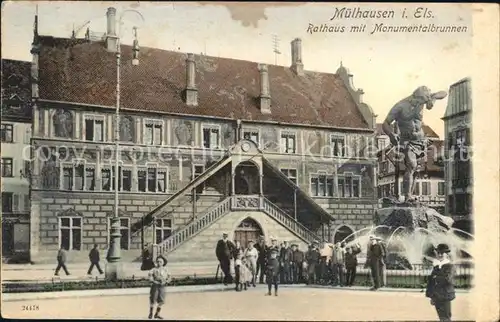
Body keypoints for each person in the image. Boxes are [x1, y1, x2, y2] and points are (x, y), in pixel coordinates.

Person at [382, 86, 447, 202]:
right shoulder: (400, 106)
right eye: (419, 101)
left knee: (416, 170)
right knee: (411, 165)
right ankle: (407, 196)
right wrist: (391, 135)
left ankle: (410, 196)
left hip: (421, 140)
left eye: (422, 102)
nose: (420, 104)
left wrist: (434, 97)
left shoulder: (423, 100)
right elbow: (385, 124)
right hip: (406, 141)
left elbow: (444, 93)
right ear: (414, 97)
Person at [426, 244, 455, 321]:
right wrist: (432, 296)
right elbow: (431, 282)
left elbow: (448, 279)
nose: (440, 254)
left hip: (445, 295)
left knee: (446, 317)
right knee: (441, 317)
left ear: (447, 254)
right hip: (437, 296)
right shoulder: (436, 265)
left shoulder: (450, 266)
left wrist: (436, 277)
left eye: (442, 253)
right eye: (438, 252)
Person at [148, 255, 171, 319]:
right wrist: (153, 281)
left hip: (162, 286)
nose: (159, 263)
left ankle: (157, 314)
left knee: (161, 300)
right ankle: (151, 313)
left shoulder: (166, 269)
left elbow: (169, 277)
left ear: (163, 262)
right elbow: (150, 277)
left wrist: (166, 281)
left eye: (160, 262)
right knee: (153, 299)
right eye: (158, 261)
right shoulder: (153, 269)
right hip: (155, 286)